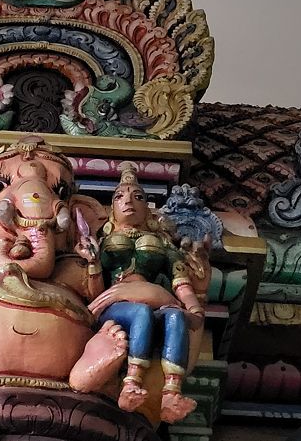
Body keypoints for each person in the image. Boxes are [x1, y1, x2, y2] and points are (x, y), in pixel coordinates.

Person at [94, 162, 204, 422]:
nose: (128, 201)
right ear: (112, 210)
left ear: (148, 208)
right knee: (141, 312)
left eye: (138, 197)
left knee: (175, 316)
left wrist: (194, 309)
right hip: (115, 305)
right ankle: (131, 383)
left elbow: (180, 281)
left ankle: (171, 393)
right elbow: (92, 281)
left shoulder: (163, 244)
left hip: (156, 303)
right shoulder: (101, 242)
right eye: (119, 197)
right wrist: (89, 261)